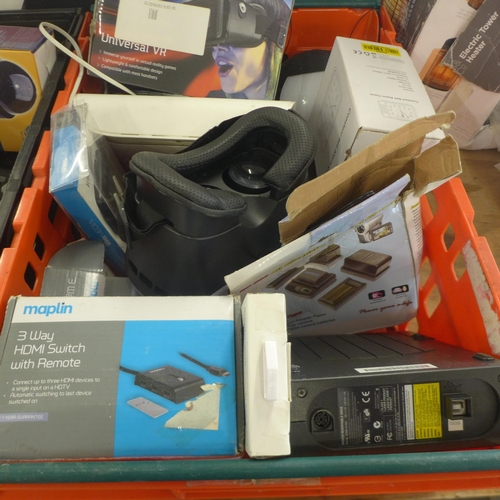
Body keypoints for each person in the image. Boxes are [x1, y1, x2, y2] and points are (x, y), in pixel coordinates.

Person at [209, 0, 291, 99]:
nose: (218, 47)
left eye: (239, 33)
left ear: (277, 39)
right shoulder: (209, 102)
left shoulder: (296, 96)